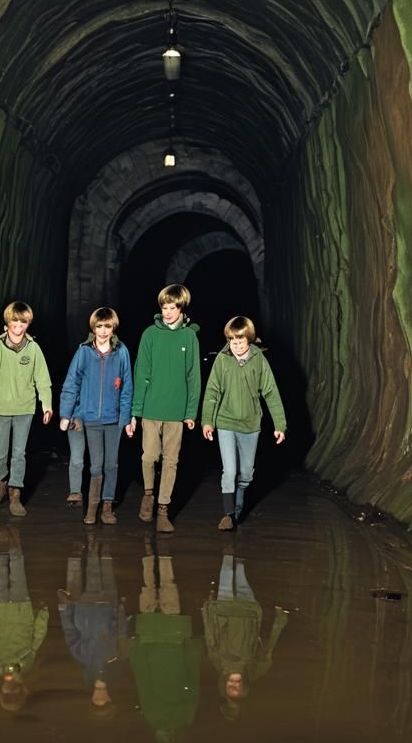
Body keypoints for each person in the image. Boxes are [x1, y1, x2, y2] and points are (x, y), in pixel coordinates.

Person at [201, 316, 286, 530]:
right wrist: (208, 421)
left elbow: (271, 392)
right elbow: (212, 390)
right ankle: (228, 515)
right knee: (229, 471)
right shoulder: (222, 358)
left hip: (250, 425)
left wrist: (280, 425)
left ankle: (237, 508)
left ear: (249, 339)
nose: (236, 345)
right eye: (232, 341)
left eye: (240, 341)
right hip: (226, 421)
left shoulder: (259, 360)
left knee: (246, 473)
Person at [129, 284, 200, 533]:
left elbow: (193, 376)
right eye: (164, 307)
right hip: (151, 408)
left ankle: (163, 509)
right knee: (149, 456)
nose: (167, 312)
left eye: (172, 308)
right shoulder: (150, 334)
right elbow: (141, 373)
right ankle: (148, 493)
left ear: (181, 308)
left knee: (171, 461)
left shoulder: (189, 337)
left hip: (177, 411)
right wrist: (136, 412)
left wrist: (191, 412)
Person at [0, 300, 52, 516]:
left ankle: (15, 493)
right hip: (1, 409)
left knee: (19, 453)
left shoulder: (33, 349)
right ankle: (2, 479)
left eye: (23, 321)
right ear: (7, 322)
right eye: (15, 321)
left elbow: (43, 379)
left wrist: (46, 405)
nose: (18, 325)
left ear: (28, 324)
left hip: (25, 409)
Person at [59, 307, 134, 524]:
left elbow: (127, 387)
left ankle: (107, 507)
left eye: (107, 326)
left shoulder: (121, 352)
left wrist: (126, 418)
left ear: (113, 328)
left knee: (112, 464)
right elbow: (71, 383)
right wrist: (66, 413)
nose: (103, 331)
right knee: (96, 465)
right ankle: (92, 507)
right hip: (91, 418)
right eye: (99, 326)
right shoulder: (84, 352)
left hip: (114, 419)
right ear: (93, 328)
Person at [202, 548, 288, 722]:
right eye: (237, 688)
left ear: (224, 686)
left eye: (230, 687)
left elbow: (209, 634)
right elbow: (270, 645)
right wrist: (279, 620)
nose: (234, 684)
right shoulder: (255, 669)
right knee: (241, 576)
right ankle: (240, 539)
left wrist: (207, 608)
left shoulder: (217, 662)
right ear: (244, 689)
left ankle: (228, 543)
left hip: (223, 611)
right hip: (249, 613)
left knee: (226, 571)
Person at [127, 537, 201, 740]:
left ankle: (154, 553)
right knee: (157, 588)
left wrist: (191, 646)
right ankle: (155, 553)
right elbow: (191, 679)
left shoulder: (181, 717)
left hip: (165, 639)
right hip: (161, 639)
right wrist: (136, 650)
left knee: (158, 588)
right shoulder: (179, 717)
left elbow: (144, 681)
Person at [0, 525, 49, 712]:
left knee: (0, 578)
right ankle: (14, 543)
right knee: (17, 574)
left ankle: (3, 546)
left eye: (6, 693)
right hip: (20, 609)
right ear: (22, 689)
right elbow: (38, 637)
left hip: (1, 611)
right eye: (14, 693)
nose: (10, 690)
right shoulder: (26, 663)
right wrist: (43, 615)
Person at [58, 538, 126, 717]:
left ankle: (82, 544)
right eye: (103, 700)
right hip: (106, 605)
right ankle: (104, 540)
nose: (100, 696)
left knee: (75, 573)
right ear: (110, 698)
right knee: (104, 567)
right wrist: (119, 610)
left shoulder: (80, 656)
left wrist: (64, 607)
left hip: (81, 607)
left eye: (97, 700)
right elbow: (121, 631)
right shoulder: (115, 659)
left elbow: (69, 630)